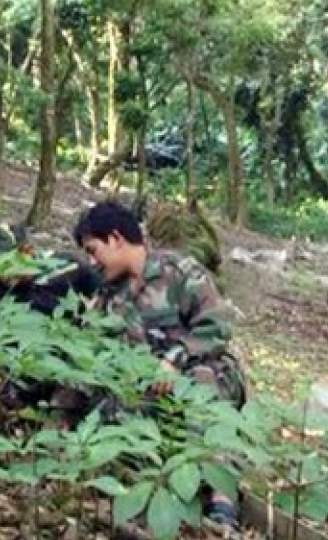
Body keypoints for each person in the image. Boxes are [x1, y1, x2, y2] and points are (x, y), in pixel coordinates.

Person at [73, 200, 247, 528]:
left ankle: (222, 499)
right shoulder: (109, 297)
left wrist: (173, 360)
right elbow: (90, 357)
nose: (92, 262)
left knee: (202, 383)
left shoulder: (180, 271)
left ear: (115, 239)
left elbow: (218, 325)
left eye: (94, 250)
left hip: (205, 374)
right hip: (149, 390)